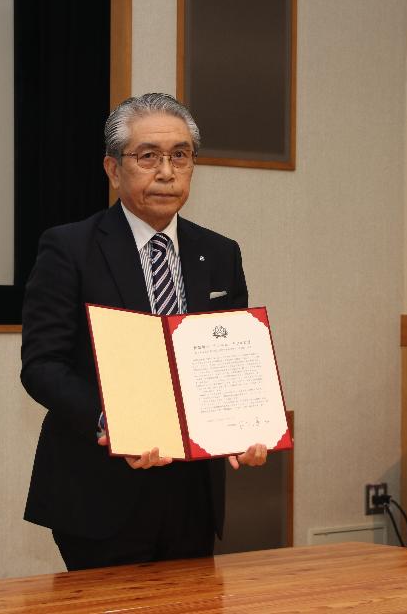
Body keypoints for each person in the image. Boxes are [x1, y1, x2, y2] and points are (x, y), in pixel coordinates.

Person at [21, 92, 267, 571]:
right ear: (113, 169)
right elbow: (42, 367)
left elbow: (230, 360)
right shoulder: (69, 248)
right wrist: (108, 424)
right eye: (148, 156)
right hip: (98, 494)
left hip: (193, 494)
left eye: (181, 155)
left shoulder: (220, 253)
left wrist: (244, 426)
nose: (166, 171)